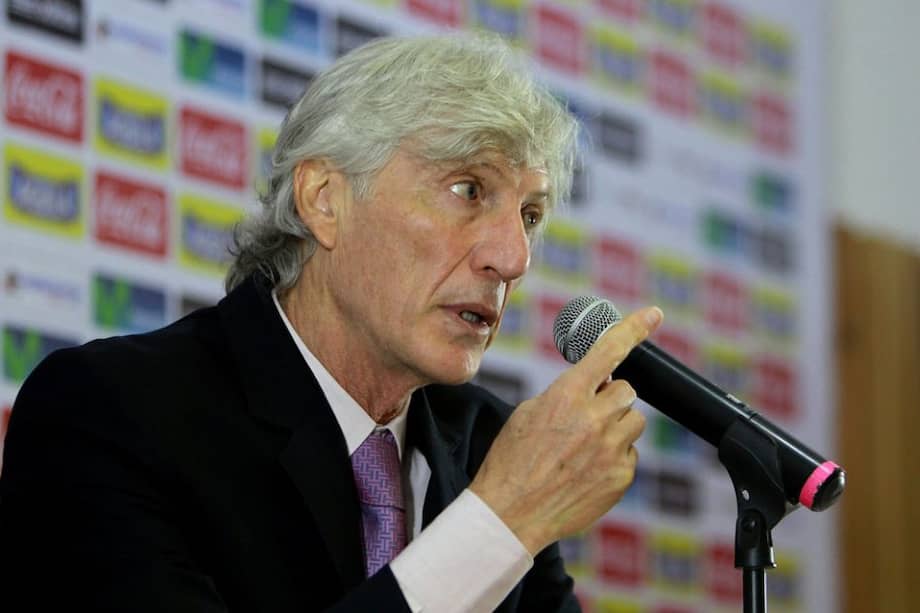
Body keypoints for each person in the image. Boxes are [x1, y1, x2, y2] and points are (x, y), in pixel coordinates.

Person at [0, 35, 661, 611]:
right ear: (324, 200)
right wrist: (498, 522)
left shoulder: (489, 443)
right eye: (469, 190)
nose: (512, 257)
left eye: (531, 215)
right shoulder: (111, 411)